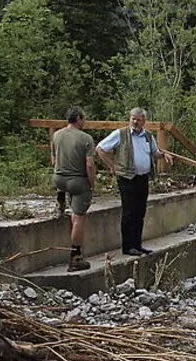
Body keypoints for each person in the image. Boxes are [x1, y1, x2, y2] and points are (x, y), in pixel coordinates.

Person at [95, 107, 173, 256]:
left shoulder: (148, 136)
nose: (135, 122)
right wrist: (113, 167)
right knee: (129, 212)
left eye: (139, 119)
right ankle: (128, 246)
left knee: (140, 212)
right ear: (130, 119)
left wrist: (164, 155)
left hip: (142, 177)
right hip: (127, 178)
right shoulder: (121, 134)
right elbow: (100, 148)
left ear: (144, 121)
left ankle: (137, 244)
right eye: (133, 119)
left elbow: (154, 152)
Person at [51, 107, 97, 272]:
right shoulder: (86, 138)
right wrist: (92, 183)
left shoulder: (56, 135)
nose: (84, 121)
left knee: (63, 185)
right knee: (78, 218)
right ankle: (75, 257)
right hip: (77, 181)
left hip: (59, 179)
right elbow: (89, 165)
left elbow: (54, 159)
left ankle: (61, 201)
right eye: (83, 118)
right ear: (78, 118)